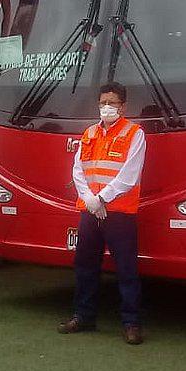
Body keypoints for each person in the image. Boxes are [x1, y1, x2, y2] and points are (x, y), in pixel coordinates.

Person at [59, 81, 147, 344]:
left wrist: (101, 199)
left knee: (126, 269)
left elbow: (129, 175)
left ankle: (131, 323)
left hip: (118, 212)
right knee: (85, 265)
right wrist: (89, 199)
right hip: (90, 211)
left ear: (123, 106)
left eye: (112, 103)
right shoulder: (89, 133)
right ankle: (84, 315)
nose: (107, 107)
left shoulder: (135, 133)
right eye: (103, 103)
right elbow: (78, 170)